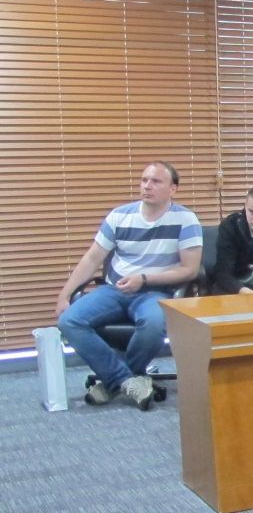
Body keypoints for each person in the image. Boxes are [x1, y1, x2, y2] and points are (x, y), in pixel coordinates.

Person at [55, 161, 203, 410]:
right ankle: (125, 380)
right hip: (115, 290)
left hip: (155, 291)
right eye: (144, 180)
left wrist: (144, 279)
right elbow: (92, 258)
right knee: (69, 320)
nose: (147, 186)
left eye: (156, 181)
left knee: (154, 323)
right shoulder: (119, 215)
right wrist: (65, 294)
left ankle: (112, 382)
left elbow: (189, 269)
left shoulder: (185, 219)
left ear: (173, 189)